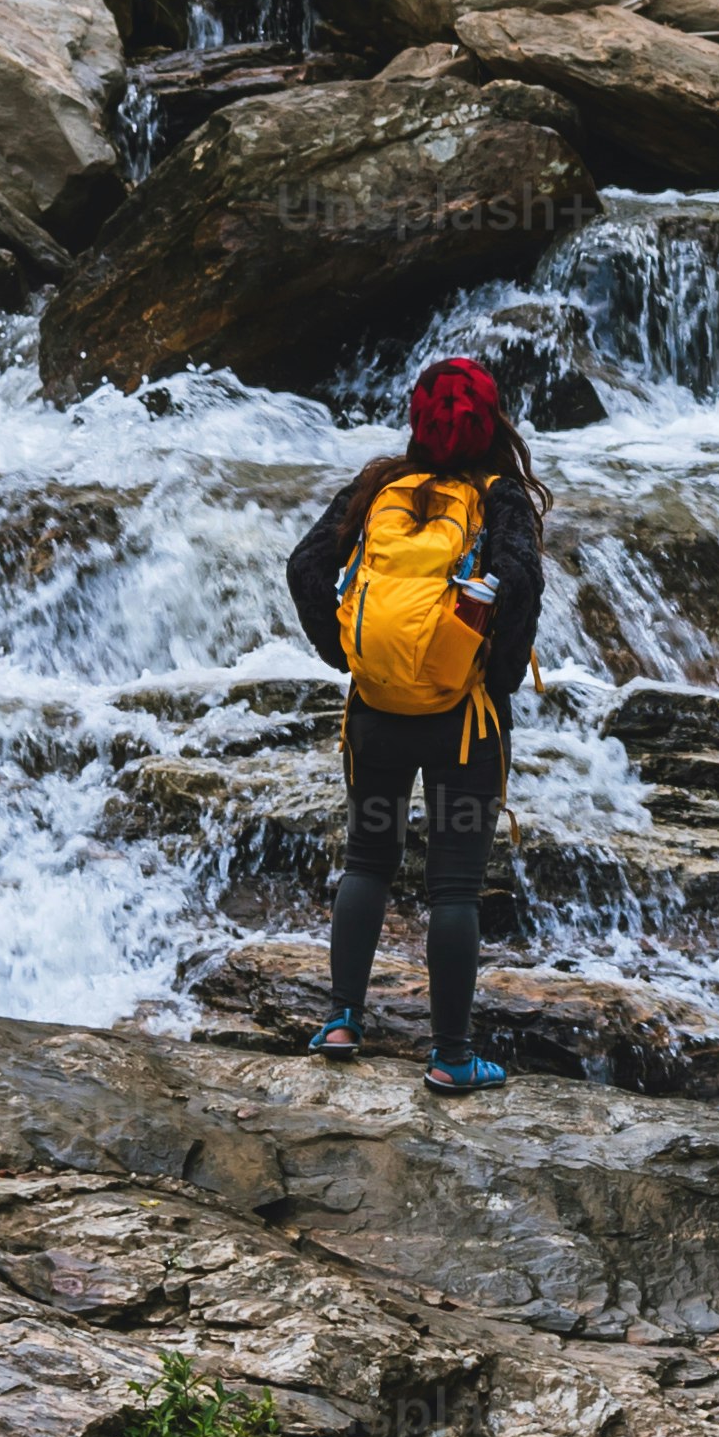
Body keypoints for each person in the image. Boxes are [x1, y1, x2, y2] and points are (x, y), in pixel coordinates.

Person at [283, 355, 544, 1093]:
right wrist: (492, 678)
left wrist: (345, 654)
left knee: (368, 862)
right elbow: (521, 587)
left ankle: (341, 1021)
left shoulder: (378, 486)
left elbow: (305, 569)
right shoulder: (500, 496)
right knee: (453, 889)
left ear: (416, 419)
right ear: (492, 423)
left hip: (376, 717)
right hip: (463, 727)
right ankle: (452, 1058)